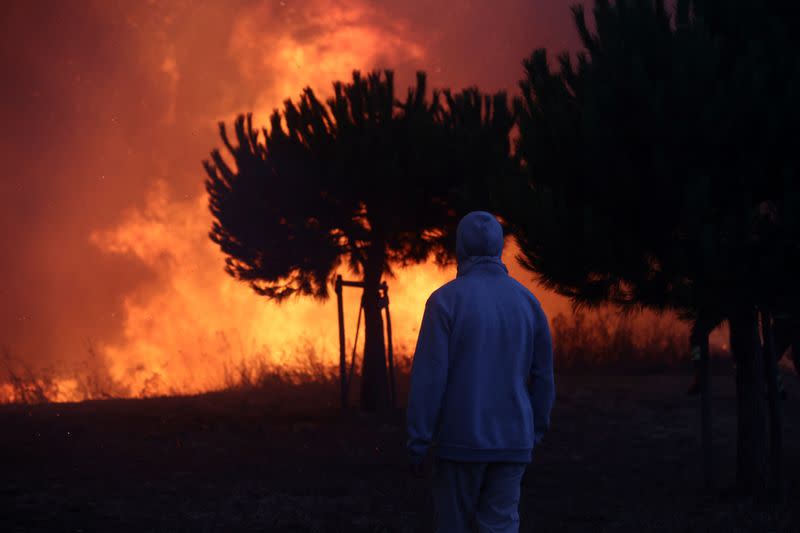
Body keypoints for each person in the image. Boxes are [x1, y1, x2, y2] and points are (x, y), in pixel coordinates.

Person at [405, 210, 556, 533]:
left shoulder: (445, 302)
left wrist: (419, 440)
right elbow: (543, 377)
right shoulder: (528, 303)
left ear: (460, 248)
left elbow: (429, 379)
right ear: (499, 248)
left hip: (459, 444)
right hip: (513, 442)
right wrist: (535, 431)